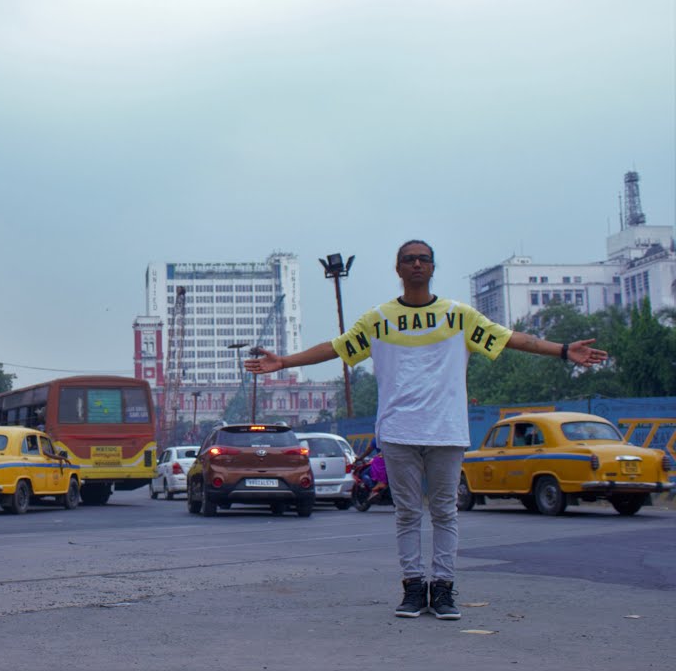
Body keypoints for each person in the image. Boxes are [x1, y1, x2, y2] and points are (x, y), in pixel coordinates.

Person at [246, 240, 608, 621]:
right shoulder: (379, 319)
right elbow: (336, 348)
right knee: (406, 513)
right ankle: (414, 587)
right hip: (399, 431)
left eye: (423, 259)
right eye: (409, 259)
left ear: (432, 267)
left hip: (447, 432)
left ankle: (445, 588)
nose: (417, 264)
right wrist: (284, 361)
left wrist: (564, 350)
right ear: (398, 268)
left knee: (444, 513)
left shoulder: (459, 316)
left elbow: (512, 339)